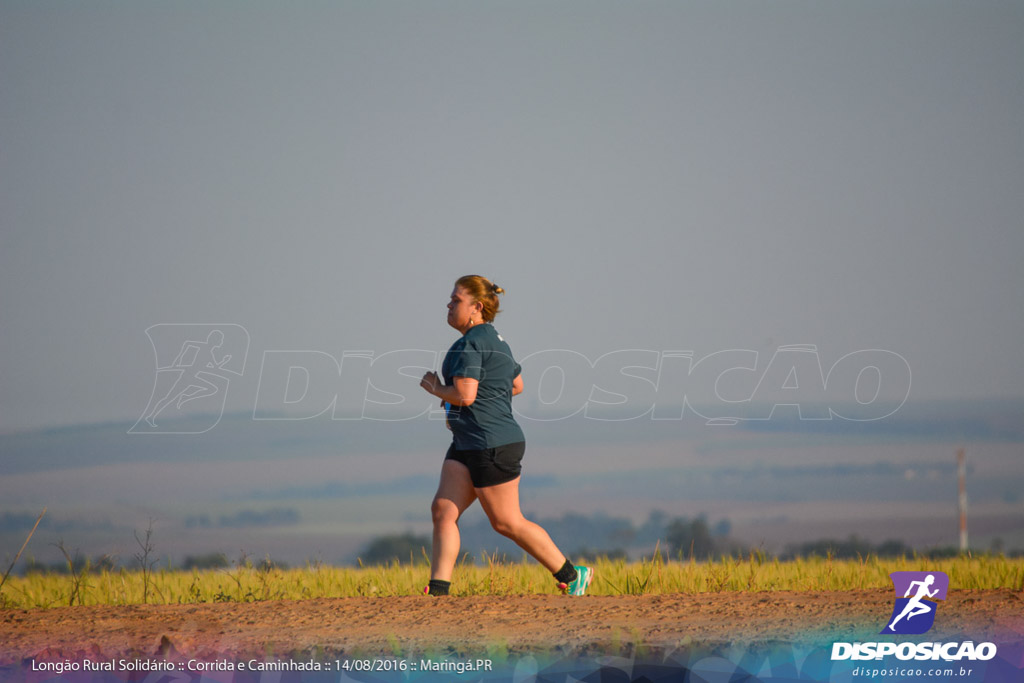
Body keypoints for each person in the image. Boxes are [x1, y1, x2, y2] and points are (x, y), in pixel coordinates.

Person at [419, 275, 593, 597]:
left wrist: (435, 389)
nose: (448, 304)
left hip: (491, 444)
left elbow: (466, 395)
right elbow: (517, 385)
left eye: (456, 300)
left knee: (506, 522)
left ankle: (573, 575)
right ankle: (439, 593)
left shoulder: (470, 344)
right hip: (468, 443)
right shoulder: (497, 340)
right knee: (443, 510)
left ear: (477, 307)